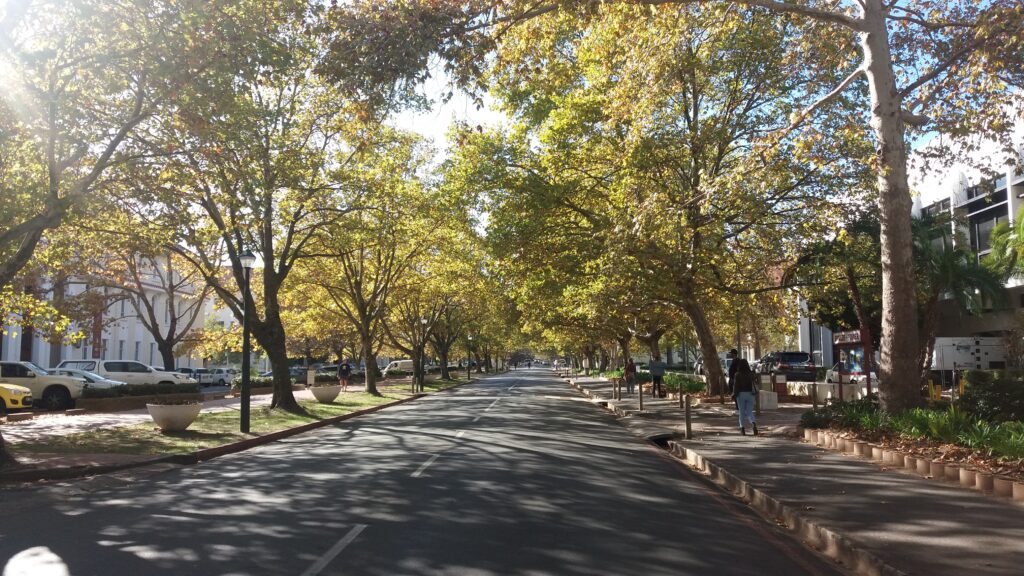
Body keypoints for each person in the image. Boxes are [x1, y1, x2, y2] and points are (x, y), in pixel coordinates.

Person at [731, 358, 758, 435]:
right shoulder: (751, 374)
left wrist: (734, 394)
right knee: (749, 411)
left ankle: (742, 428)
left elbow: (736, 386)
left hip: (741, 394)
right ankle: (753, 423)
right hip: (751, 394)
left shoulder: (737, 374)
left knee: (742, 412)